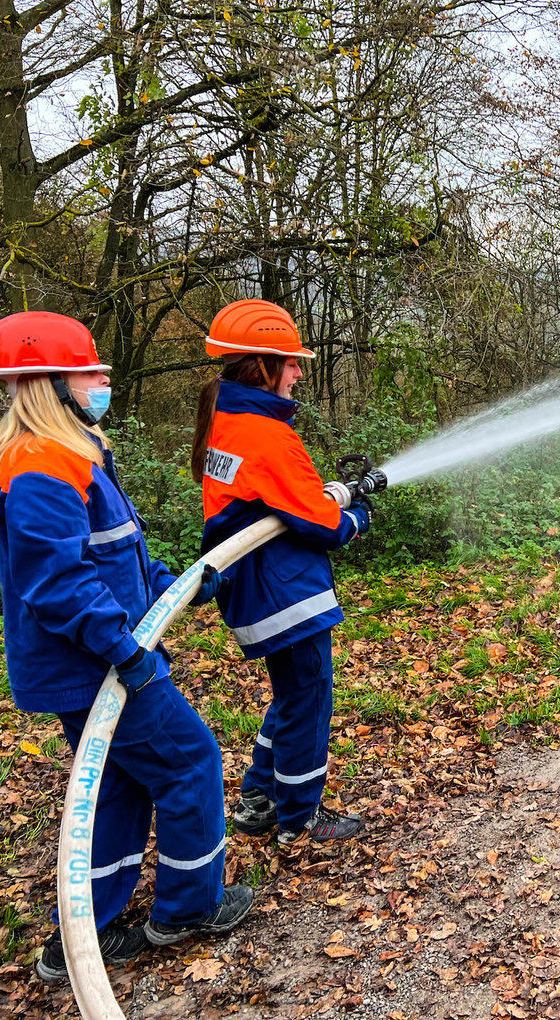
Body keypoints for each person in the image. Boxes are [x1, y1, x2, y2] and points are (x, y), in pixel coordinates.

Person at [0, 311, 254, 982]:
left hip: (105, 659)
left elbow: (119, 556)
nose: (103, 379)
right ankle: (187, 908)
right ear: (48, 383)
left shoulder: (77, 453)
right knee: (190, 762)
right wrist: (123, 650)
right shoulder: (41, 463)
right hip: (97, 666)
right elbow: (59, 583)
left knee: (120, 788)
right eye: (89, 370)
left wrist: (179, 586)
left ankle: (81, 934)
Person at [191, 299, 371, 846]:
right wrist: (355, 519)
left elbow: (278, 502)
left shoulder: (227, 420)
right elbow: (318, 523)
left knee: (292, 695)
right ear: (263, 365)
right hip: (284, 591)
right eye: (290, 361)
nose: (299, 370)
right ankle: (300, 818)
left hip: (254, 589)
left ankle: (259, 796)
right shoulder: (267, 435)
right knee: (309, 698)